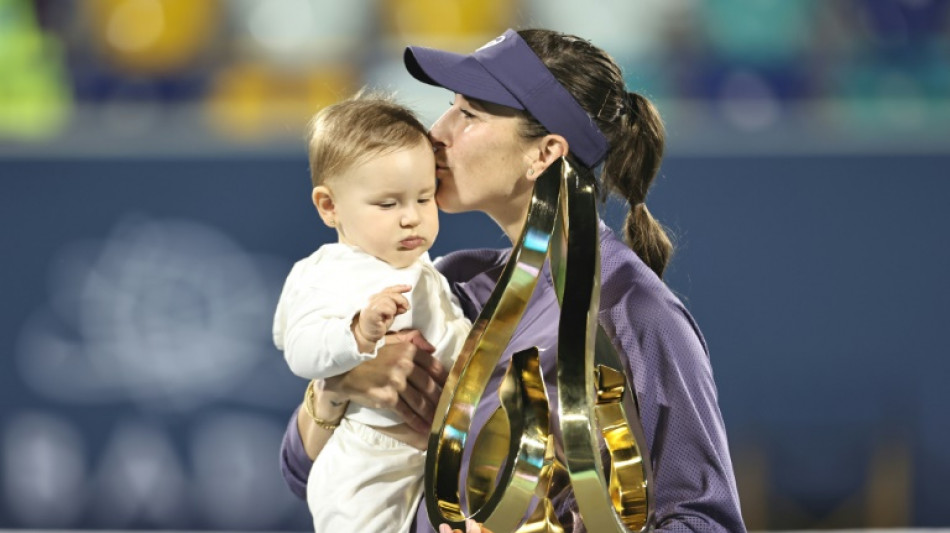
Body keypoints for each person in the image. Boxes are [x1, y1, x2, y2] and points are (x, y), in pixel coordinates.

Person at [279, 28, 747, 532]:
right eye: (449, 106)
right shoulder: (455, 282)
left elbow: (704, 522)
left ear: (544, 153)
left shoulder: (635, 311)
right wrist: (337, 390)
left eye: (469, 114)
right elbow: (301, 472)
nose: (437, 131)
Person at [273, 93, 471, 532]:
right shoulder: (326, 272)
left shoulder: (429, 269)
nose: (411, 218)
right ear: (329, 206)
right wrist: (358, 335)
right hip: (367, 459)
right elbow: (301, 349)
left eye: (424, 198)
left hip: (431, 458)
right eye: (388, 204)